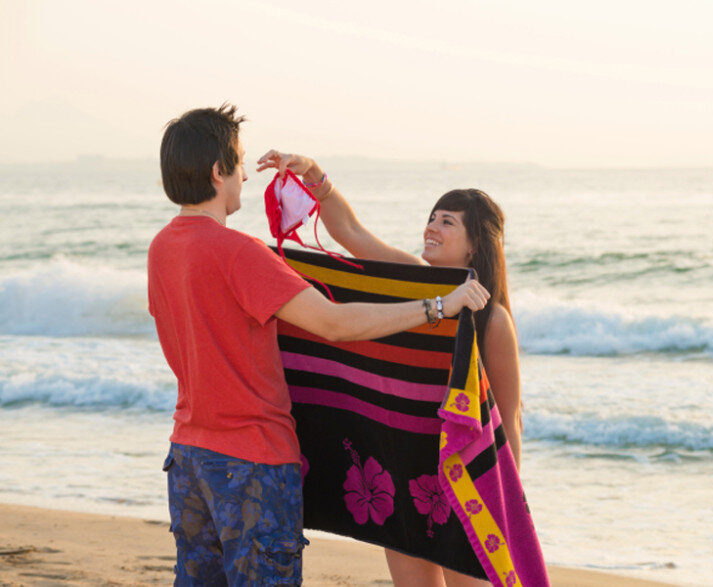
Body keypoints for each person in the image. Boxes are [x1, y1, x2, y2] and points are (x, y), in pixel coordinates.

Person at [148, 105, 490, 586]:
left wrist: (317, 180)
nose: (245, 176)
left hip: (187, 458)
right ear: (217, 172)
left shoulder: (162, 247)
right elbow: (332, 323)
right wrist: (437, 309)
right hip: (252, 463)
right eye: (240, 163)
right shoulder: (240, 253)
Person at [257, 150, 522, 587]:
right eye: (432, 217)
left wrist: (506, 498)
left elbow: (508, 416)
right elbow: (352, 234)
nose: (431, 228)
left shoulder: (491, 320)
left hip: (464, 481)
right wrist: (314, 175)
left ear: (474, 243)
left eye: (447, 222)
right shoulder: (409, 280)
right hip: (404, 472)